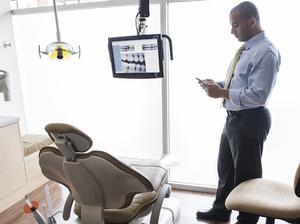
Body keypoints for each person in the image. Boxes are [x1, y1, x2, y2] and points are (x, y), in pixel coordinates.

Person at [196, 1, 281, 224]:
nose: (231, 31)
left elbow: (257, 95)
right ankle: (221, 210)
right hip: (234, 118)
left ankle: (247, 219)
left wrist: (221, 92)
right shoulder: (246, 49)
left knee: (247, 175)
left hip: (250, 119)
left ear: (252, 22)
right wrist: (217, 84)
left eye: (235, 25)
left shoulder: (266, 52)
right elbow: (238, 82)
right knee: (225, 168)